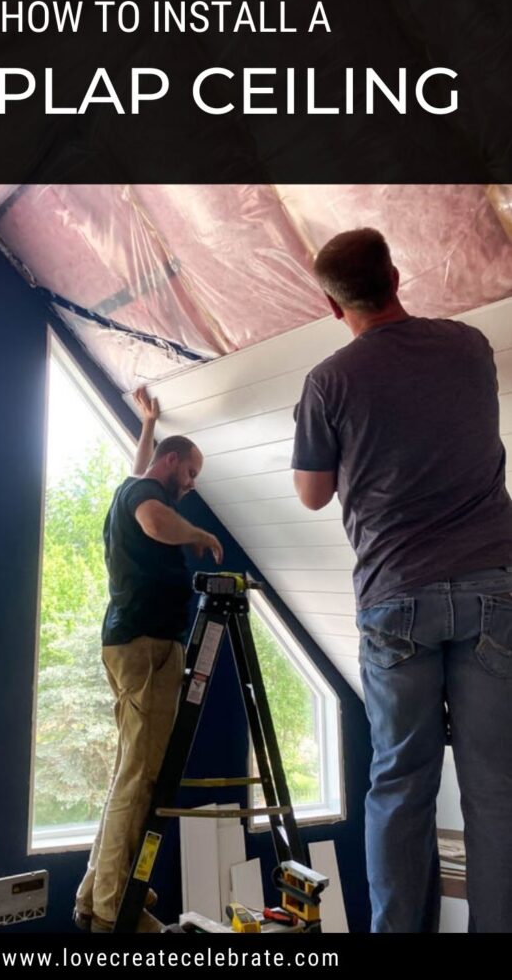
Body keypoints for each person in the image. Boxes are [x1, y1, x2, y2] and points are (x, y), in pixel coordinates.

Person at [291, 227, 512, 933]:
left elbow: (310, 493)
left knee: (398, 785)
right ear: (395, 274)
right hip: (492, 588)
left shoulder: (329, 380)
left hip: (393, 598)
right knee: (494, 790)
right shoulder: (468, 346)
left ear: (331, 305)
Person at [74, 387, 223, 933]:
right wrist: (201, 534)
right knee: (141, 778)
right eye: (190, 471)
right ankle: (117, 908)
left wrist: (146, 424)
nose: (192, 483)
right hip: (145, 644)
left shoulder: (135, 484)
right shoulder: (146, 500)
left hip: (134, 642)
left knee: (129, 774)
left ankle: (98, 891)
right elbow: (157, 520)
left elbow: (141, 472)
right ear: (172, 461)